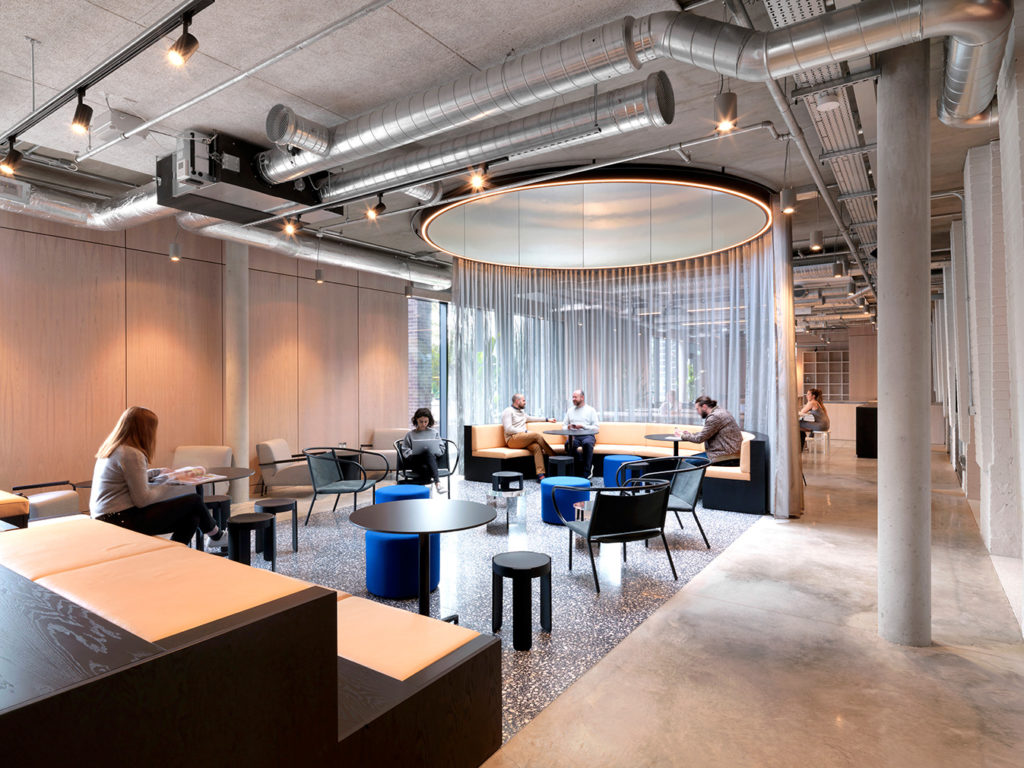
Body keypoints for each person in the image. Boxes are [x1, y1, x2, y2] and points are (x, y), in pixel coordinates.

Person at [89, 406, 227, 548]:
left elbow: (130, 476)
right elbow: (143, 500)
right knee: (194, 501)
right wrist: (170, 482)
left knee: (193, 517)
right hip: (119, 519)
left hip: (106, 517)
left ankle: (172, 553)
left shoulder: (114, 449)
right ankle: (217, 537)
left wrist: (158, 472)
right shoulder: (132, 454)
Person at [501, 393, 557, 479]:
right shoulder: (508, 411)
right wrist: (524, 431)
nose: (525, 402)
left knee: (536, 447)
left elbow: (531, 418)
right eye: (523, 401)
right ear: (517, 401)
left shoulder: (521, 412)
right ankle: (554, 456)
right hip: (512, 440)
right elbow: (508, 429)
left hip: (523, 438)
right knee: (536, 435)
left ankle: (540, 475)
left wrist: (547, 419)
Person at [678, 395, 743, 467]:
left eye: (697, 409)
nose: (698, 412)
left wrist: (682, 436)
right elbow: (706, 433)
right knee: (687, 460)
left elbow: (699, 439)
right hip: (728, 453)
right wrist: (690, 434)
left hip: (727, 456)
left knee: (687, 462)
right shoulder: (719, 412)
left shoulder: (715, 417)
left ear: (704, 407)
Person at [399, 407, 445, 493]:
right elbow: (405, 450)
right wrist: (415, 453)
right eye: (421, 421)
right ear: (416, 420)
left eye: (426, 421)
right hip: (415, 462)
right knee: (426, 453)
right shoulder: (410, 434)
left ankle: (406, 483)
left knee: (426, 463)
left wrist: (434, 451)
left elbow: (441, 449)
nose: (423, 424)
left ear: (429, 421)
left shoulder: (434, 433)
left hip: (429, 463)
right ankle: (437, 483)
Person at [563, 389, 599, 478]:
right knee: (568, 444)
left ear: (582, 398)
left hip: (588, 435)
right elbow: (563, 426)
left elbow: (596, 428)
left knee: (587, 444)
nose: (573, 399)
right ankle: (578, 466)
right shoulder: (570, 410)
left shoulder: (590, 410)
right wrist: (568, 428)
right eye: (573, 397)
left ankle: (587, 472)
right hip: (574, 436)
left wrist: (583, 426)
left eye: (575, 397)